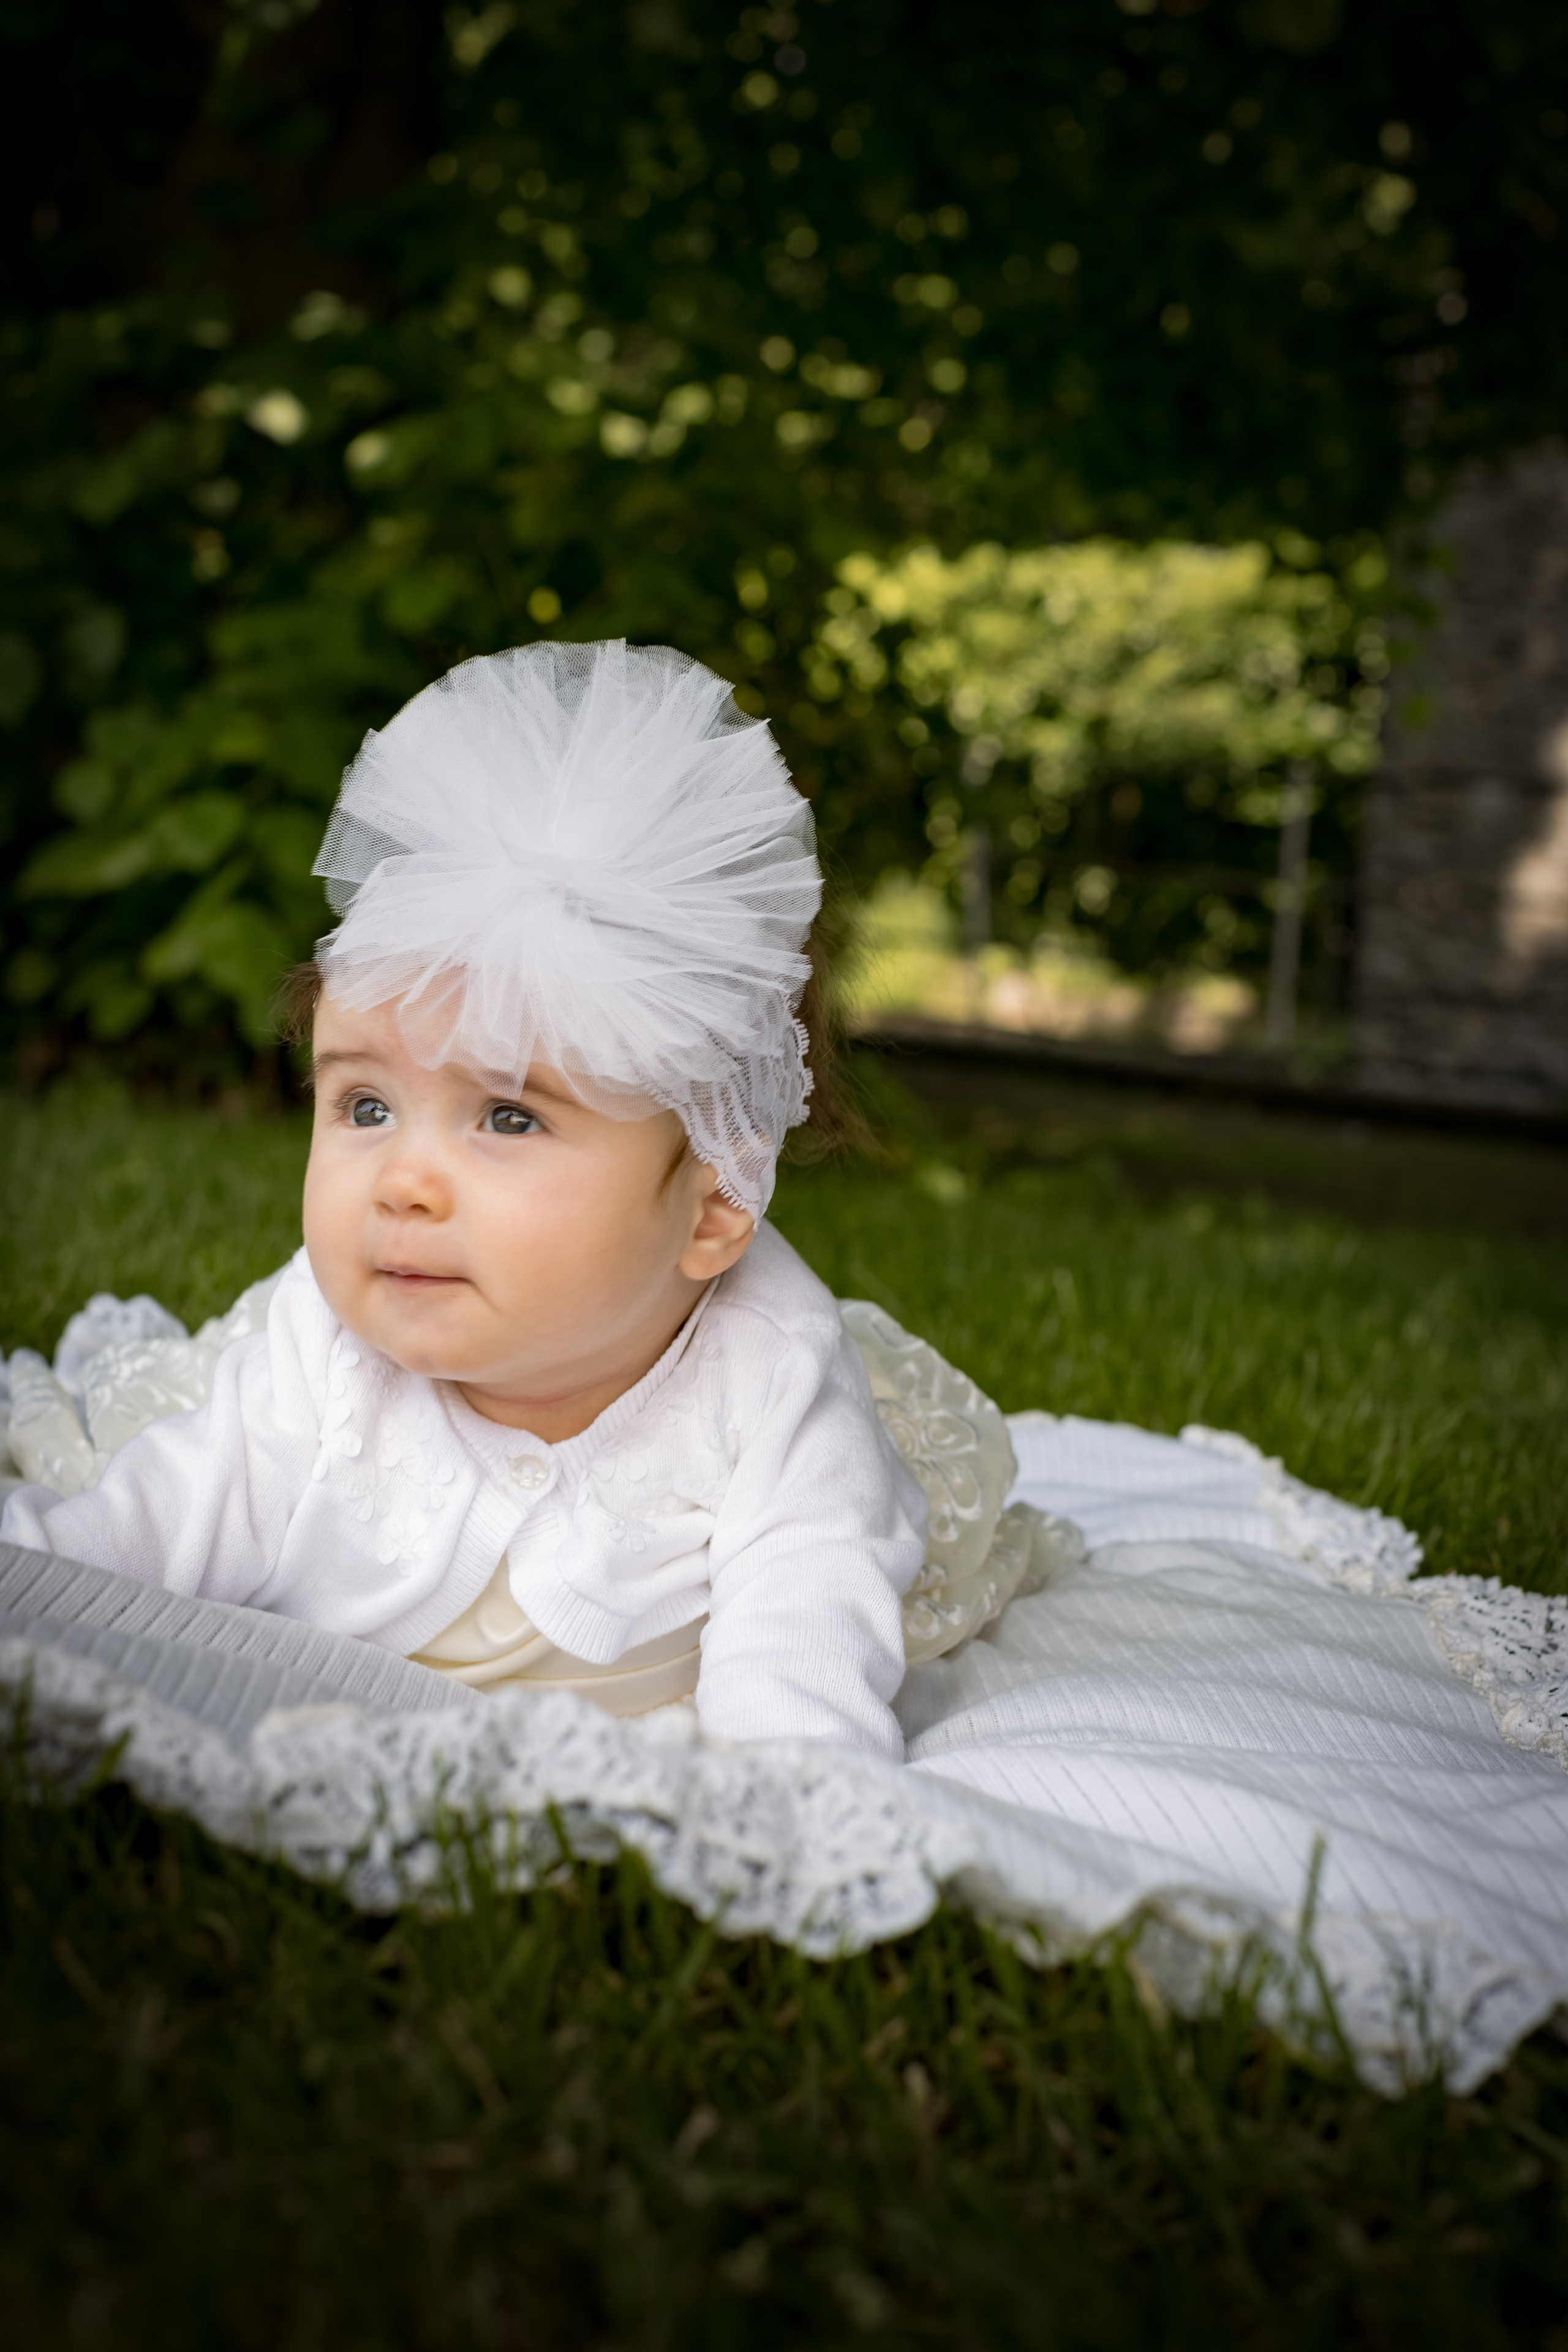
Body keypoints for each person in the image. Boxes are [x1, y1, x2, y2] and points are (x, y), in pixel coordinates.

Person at [0, 641, 933, 1756]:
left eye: (507, 1117)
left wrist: (793, 1791)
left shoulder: (771, 1371)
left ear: (716, 1201)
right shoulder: (322, 1346)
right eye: (363, 1107)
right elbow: (140, 1534)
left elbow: (805, 1637)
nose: (403, 1180)